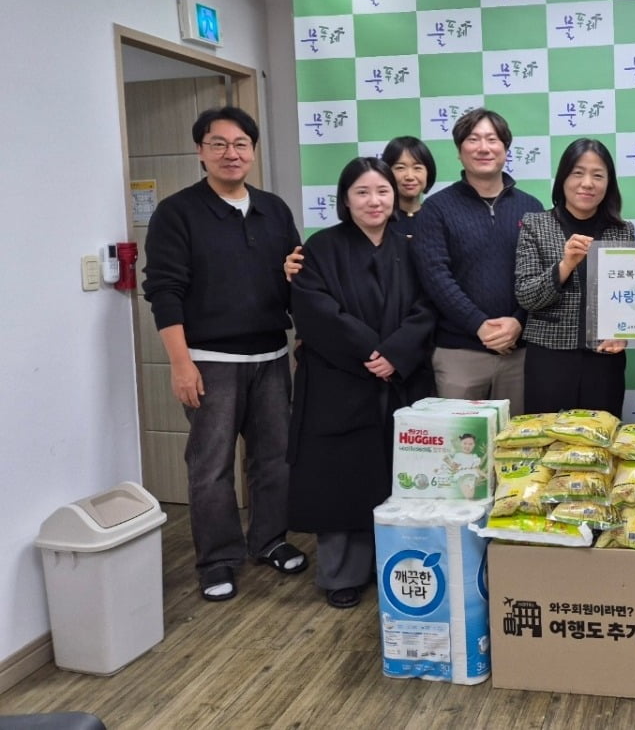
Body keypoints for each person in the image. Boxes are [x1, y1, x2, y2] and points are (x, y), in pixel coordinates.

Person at [143, 105, 307, 603]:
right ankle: (217, 559)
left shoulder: (273, 209)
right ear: (201, 150)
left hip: (271, 356)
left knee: (274, 459)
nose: (230, 153)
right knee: (210, 466)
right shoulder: (177, 212)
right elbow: (164, 290)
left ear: (253, 151)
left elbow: (296, 277)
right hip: (208, 360)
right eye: (218, 144)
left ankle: (269, 540)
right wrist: (180, 363)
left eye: (240, 144)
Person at [287, 157, 436, 608]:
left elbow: (429, 304)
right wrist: (371, 352)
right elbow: (315, 310)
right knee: (342, 479)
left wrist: (397, 354)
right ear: (345, 199)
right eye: (363, 192)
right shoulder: (320, 248)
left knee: (399, 474)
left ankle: (395, 564)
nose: (374, 201)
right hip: (339, 379)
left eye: (382, 191)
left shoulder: (413, 245)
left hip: (401, 378)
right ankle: (342, 575)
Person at [414, 109, 543, 413]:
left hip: (519, 352)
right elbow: (436, 277)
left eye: (492, 139)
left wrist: (518, 322)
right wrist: (478, 325)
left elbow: (542, 276)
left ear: (505, 149)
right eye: (473, 139)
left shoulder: (532, 207)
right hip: (459, 353)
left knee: (517, 439)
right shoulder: (436, 209)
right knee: (458, 440)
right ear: (459, 151)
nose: (483, 148)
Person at [515, 139, 635, 416]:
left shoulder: (622, 231)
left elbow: (630, 299)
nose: (587, 183)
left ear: (609, 183)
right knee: (548, 437)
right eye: (578, 173)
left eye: (598, 175)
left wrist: (624, 333)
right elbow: (526, 295)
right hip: (549, 357)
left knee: (601, 436)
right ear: (563, 179)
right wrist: (565, 265)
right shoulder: (535, 224)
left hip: (605, 358)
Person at [284, 135, 436, 278]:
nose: (409, 176)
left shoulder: (436, 220)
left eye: (417, 167)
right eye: (400, 167)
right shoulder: (371, 221)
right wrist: (302, 266)